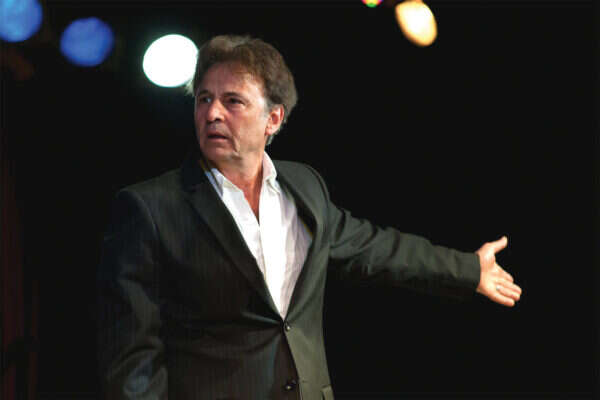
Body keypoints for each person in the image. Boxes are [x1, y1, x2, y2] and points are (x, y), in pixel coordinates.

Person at [97, 34, 522, 400]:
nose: (212, 113)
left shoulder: (304, 186)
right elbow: (132, 357)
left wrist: (469, 269)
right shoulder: (150, 207)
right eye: (204, 99)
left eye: (233, 101)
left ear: (273, 118)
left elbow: (373, 248)